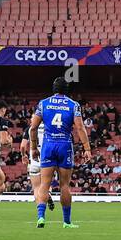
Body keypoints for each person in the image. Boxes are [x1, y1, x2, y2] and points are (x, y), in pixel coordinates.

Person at [29, 77, 91, 229]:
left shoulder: (43, 103)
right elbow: (80, 127)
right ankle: (66, 222)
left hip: (48, 145)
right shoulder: (73, 105)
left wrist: (33, 147)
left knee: (44, 184)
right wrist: (87, 148)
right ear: (67, 89)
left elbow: (33, 128)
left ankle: (41, 217)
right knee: (64, 185)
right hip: (65, 145)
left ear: (53, 88)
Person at [20, 120, 54, 212]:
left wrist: (24, 156)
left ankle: (40, 214)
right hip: (47, 162)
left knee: (36, 188)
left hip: (34, 162)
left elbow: (23, 146)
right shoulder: (49, 128)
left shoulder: (30, 129)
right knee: (46, 184)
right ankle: (48, 193)